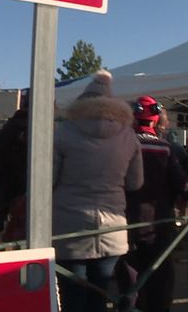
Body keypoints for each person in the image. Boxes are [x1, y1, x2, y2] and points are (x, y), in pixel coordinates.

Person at [52, 70, 144, 312]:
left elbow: (47, 181)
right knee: (100, 293)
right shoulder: (128, 135)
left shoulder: (63, 132)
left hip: (68, 225)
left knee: (72, 296)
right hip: (112, 224)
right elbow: (136, 182)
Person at [118, 95, 188, 312]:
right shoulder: (165, 148)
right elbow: (183, 185)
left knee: (129, 277)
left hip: (126, 222)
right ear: (157, 120)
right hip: (159, 223)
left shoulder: (121, 146)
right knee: (160, 276)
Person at [0, 106, 28, 240]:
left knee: (7, 235)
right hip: (29, 196)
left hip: (4, 193)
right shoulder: (37, 134)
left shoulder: (0, 135)